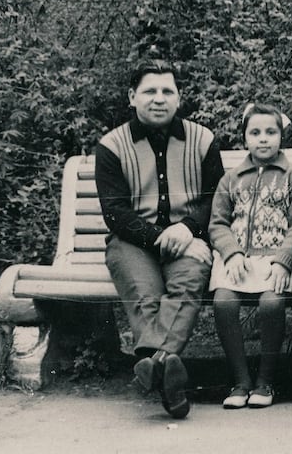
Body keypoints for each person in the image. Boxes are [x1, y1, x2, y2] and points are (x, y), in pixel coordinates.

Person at [95, 58, 224, 418]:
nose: (159, 98)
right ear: (132, 97)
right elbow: (115, 213)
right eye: (150, 91)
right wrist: (161, 235)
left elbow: (217, 198)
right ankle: (168, 369)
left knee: (188, 283)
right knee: (145, 295)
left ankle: (157, 365)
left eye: (168, 90)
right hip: (132, 243)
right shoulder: (112, 145)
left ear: (179, 97)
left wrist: (187, 230)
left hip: (189, 240)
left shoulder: (203, 140)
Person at [208, 103, 292, 409]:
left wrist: (284, 259)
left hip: (275, 259)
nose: (263, 139)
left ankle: (265, 381)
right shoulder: (231, 178)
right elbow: (217, 222)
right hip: (237, 259)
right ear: (245, 138)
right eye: (255, 133)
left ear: (281, 136)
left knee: (272, 302)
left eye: (270, 132)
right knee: (223, 301)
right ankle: (240, 381)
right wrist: (230, 253)